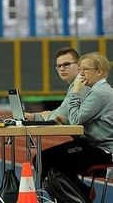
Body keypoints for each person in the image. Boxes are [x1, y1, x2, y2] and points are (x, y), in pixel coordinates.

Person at [40, 52, 113, 200]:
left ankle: (81, 197)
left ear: (99, 72)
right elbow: (79, 120)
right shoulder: (99, 91)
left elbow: (76, 120)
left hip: (103, 150)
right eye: (80, 69)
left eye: (85, 69)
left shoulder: (100, 93)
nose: (81, 74)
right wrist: (66, 121)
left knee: (48, 162)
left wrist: (75, 92)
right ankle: (81, 193)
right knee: (43, 159)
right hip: (93, 145)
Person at [24, 47, 89, 123]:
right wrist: (34, 116)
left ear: (79, 65)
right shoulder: (74, 85)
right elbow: (59, 111)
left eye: (66, 64)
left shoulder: (82, 85)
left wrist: (35, 117)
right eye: (59, 66)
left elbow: (61, 115)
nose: (62, 69)